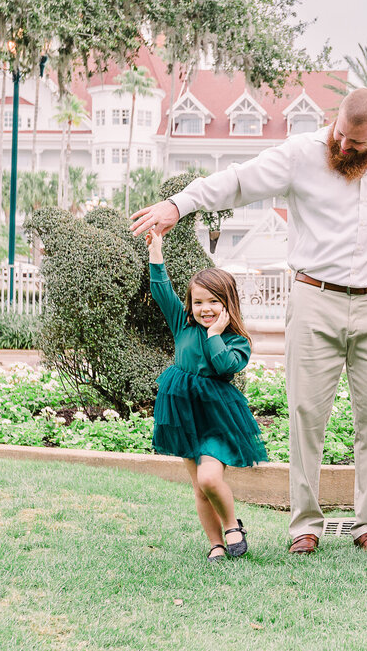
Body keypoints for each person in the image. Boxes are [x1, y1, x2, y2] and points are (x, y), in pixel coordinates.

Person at [130, 89, 367, 555]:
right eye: (340, 135)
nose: (343, 147)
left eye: (356, 144)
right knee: (307, 413)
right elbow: (238, 181)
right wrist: (178, 205)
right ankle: (305, 526)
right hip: (314, 297)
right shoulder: (302, 153)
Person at [145, 228, 267, 562]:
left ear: (228, 304)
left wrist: (214, 334)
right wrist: (156, 252)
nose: (205, 309)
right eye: (198, 302)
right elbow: (161, 291)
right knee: (199, 486)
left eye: (214, 302)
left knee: (210, 476)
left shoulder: (236, 341)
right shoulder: (182, 324)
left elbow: (225, 366)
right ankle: (215, 543)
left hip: (216, 418)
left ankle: (232, 526)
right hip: (184, 414)